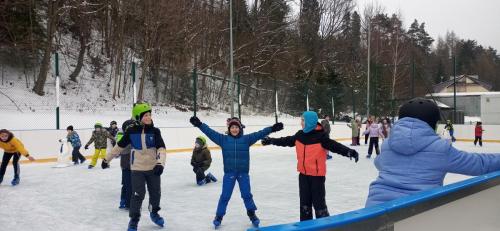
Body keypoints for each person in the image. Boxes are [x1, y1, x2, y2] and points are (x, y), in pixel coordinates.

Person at [365, 98, 500, 207]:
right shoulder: (440, 149)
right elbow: (479, 164)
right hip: (414, 214)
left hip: (374, 212)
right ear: (432, 124)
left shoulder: (388, 144)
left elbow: (379, 163)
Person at [261, 111, 359, 221]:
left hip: (317, 177)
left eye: (303, 120)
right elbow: (286, 141)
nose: (301, 123)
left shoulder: (321, 137)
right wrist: (271, 141)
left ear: (309, 121)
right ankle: (306, 226)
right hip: (303, 176)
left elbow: (335, 146)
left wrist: (349, 152)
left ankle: (324, 227)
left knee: (319, 205)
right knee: (304, 205)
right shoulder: (300, 135)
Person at [190, 116, 283, 228]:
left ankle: (252, 214)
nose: (234, 129)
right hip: (229, 173)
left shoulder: (246, 139)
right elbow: (210, 132)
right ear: (229, 129)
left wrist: (272, 128)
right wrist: (199, 124)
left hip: (243, 173)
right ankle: (219, 216)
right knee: (225, 196)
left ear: (240, 128)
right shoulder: (223, 140)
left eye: (236, 127)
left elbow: (260, 133)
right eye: (232, 127)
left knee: (247, 195)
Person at [102, 103, 167, 231]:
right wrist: (107, 159)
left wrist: (160, 163)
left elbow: (161, 148)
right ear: (138, 117)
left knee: (155, 193)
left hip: (153, 168)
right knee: (137, 194)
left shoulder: (155, 131)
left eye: (150, 114)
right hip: (137, 169)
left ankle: (154, 213)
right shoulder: (131, 131)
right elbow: (119, 147)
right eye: (146, 115)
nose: (149, 117)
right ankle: (134, 220)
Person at [116, 119, 136, 210]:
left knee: (131, 184)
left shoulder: (137, 135)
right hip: (126, 164)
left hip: (136, 164)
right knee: (127, 184)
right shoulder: (121, 135)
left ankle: (125, 201)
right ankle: (127, 202)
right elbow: (122, 148)